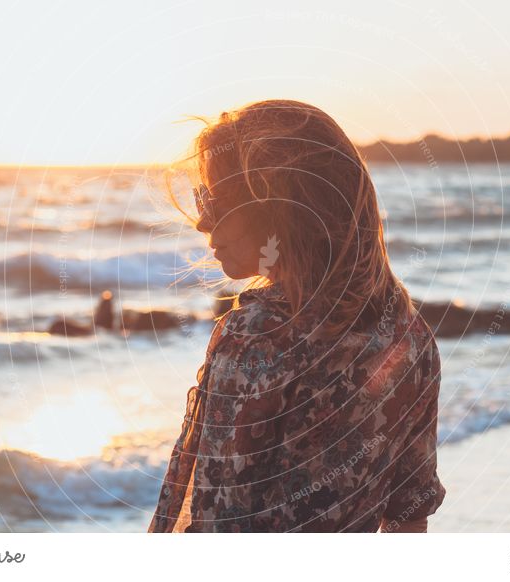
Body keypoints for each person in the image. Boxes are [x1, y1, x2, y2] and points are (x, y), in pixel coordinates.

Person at [148, 99, 445, 532]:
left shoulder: (257, 338)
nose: (201, 223)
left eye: (212, 200)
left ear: (277, 206)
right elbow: (408, 526)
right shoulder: (410, 341)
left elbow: (219, 527)